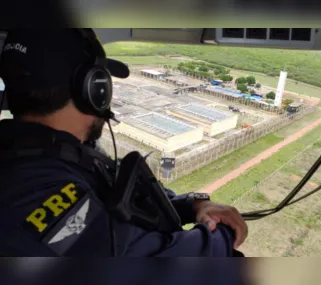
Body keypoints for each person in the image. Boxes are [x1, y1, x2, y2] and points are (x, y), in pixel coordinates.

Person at [0, 29, 248, 257]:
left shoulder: (64, 153)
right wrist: (223, 235)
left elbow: (126, 192)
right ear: (93, 89)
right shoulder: (32, 188)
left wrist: (194, 203)